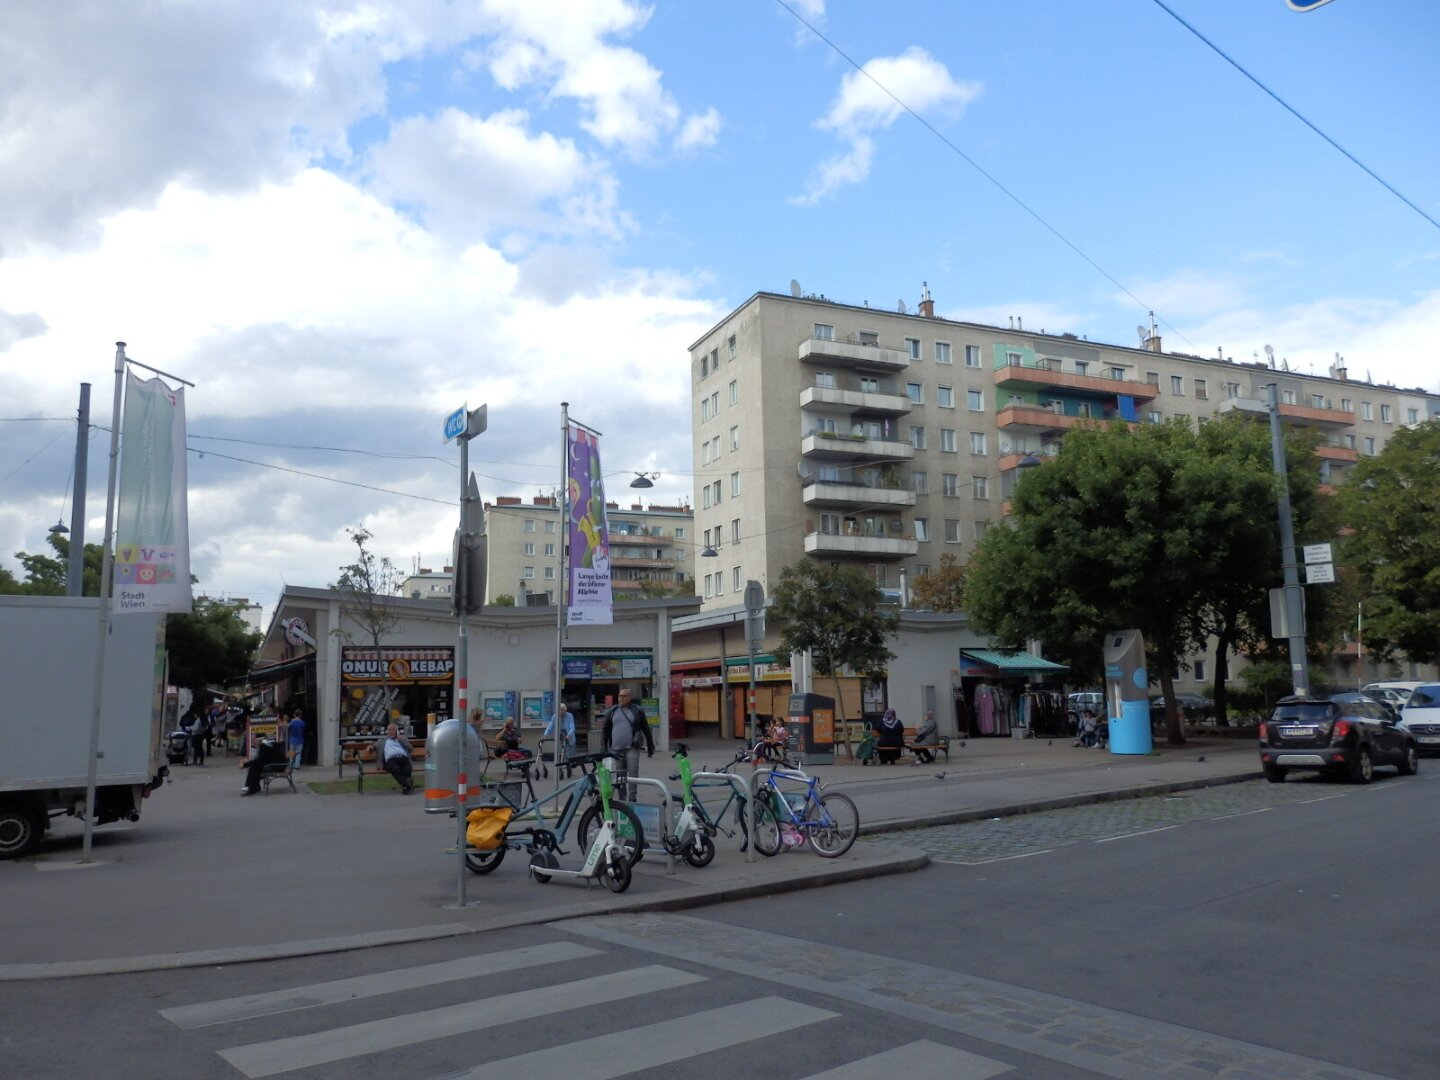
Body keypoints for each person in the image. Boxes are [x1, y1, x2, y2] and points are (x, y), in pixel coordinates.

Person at [601, 687, 654, 800]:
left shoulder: (637, 711)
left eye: (624, 696)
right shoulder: (613, 711)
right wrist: (603, 747)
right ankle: (622, 798)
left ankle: (632, 796)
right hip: (617, 749)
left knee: (633, 771)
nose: (621, 698)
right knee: (621, 775)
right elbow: (605, 730)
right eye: (620, 696)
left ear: (629, 698)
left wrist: (650, 746)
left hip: (632, 747)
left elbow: (646, 729)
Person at [373, 722, 414, 793]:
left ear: (397, 731)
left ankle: (406, 787)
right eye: (389, 730)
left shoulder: (402, 739)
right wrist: (370, 747)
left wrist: (400, 739)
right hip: (391, 760)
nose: (390, 732)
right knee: (395, 769)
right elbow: (374, 746)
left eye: (392, 730)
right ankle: (407, 783)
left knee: (407, 769)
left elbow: (410, 748)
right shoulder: (382, 740)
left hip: (403, 758)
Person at [543, 702, 576, 770]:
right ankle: (564, 766)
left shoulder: (569, 715)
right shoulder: (555, 716)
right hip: (560, 735)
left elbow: (572, 727)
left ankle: (569, 766)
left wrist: (568, 735)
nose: (561, 713)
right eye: (560, 711)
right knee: (562, 751)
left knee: (570, 753)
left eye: (562, 711)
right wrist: (545, 735)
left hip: (569, 735)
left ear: (565, 711)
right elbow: (550, 727)